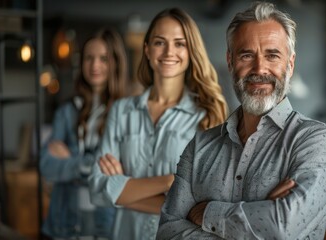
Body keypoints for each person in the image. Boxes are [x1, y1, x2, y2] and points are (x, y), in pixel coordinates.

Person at [157, 2, 326, 239]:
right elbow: (166, 232)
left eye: (272, 55)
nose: (259, 68)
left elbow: (283, 227)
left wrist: (207, 214)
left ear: (290, 64)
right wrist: (259, 216)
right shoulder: (200, 147)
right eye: (247, 55)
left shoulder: (316, 141)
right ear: (230, 61)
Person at [88, 8, 228, 240]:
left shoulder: (207, 116)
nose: (169, 51)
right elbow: (97, 189)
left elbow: (203, 204)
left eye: (179, 43)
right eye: (160, 42)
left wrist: (124, 190)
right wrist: (170, 181)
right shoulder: (121, 111)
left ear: (191, 50)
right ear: (147, 49)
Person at [40, 28, 128, 239]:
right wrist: (89, 166)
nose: (94, 65)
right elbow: (46, 165)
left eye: (103, 58)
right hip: (63, 223)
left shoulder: (127, 114)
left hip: (107, 224)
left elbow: (124, 172)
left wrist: (70, 162)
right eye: (89, 57)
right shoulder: (67, 111)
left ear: (115, 62)